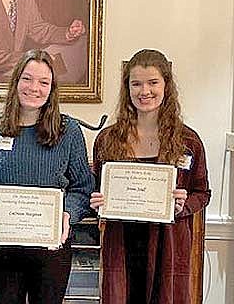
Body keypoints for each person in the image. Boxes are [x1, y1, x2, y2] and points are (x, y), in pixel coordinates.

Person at [0, 49, 94, 304]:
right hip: (1, 249)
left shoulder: (69, 131)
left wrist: (67, 214)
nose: (35, 88)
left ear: (52, 88)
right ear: (16, 82)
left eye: (44, 82)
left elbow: (82, 187)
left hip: (51, 249)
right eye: (27, 79)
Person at [89, 49, 211, 304]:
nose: (145, 91)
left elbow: (203, 192)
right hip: (121, 243)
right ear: (127, 88)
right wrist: (97, 202)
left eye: (153, 82)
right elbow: (95, 189)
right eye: (136, 84)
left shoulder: (188, 141)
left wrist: (183, 204)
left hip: (169, 244)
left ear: (166, 85)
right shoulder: (107, 140)